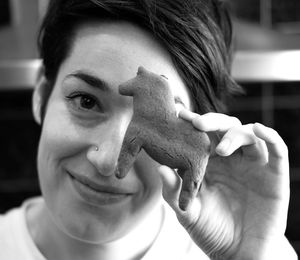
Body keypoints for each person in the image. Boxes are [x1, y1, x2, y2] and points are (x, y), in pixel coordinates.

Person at [0, 0, 297, 259]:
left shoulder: (226, 251)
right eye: (86, 101)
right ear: (41, 96)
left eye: (157, 122)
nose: (107, 163)